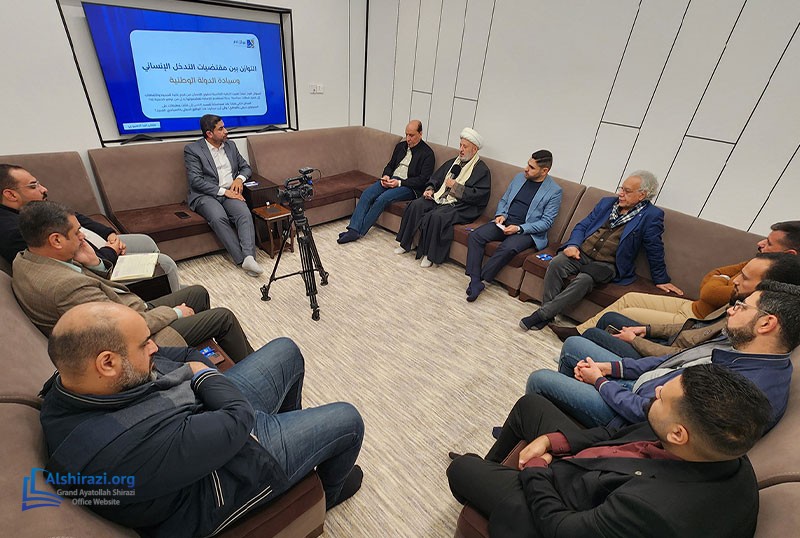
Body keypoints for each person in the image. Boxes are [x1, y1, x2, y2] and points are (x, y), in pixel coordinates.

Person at [39, 302, 364, 537]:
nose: (154, 347)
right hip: (223, 478)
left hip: (205, 418)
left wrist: (199, 375)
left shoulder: (71, 384)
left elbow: (185, 355)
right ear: (107, 363)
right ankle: (326, 496)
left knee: (286, 349)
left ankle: (299, 450)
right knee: (349, 420)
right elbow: (238, 418)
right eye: (144, 344)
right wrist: (203, 377)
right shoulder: (120, 449)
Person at [448, 365, 771, 538]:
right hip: (592, 466)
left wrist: (536, 468)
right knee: (530, 405)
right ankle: (495, 467)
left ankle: (485, 476)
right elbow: (613, 435)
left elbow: (561, 528)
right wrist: (554, 441)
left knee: (461, 469)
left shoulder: (655, 511)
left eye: (662, 397)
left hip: (562, 504)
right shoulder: (711, 442)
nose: (657, 390)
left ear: (678, 434)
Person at [525, 280, 799, 430]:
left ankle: (545, 424)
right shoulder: (742, 346)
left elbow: (650, 416)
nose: (731, 309)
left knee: (541, 379)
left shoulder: (745, 388)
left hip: (630, 417)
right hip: (643, 387)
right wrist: (611, 369)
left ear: (767, 323)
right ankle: (557, 420)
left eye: (742, 307)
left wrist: (600, 382)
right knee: (574, 345)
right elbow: (671, 361)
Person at [12, 201, 253, 361]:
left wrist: (95, 264)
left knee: (197, 292)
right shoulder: (65, 287)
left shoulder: (26, 259)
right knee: (223, 317)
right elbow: (122, 329)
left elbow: (98, 292)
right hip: (136, 336)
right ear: (56, 240)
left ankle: (210, 350)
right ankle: (249, 366)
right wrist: (175, 313)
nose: (83, 236)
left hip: (130, 309)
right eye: (76, 233)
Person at [550, 219, 800, 340]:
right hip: (692, 305)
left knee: (625, 313)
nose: (760, 243)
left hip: (695, 319)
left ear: (789, 255)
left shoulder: (772, 286)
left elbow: (711, 291)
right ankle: (578, 332)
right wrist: (718, 279)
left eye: (769, 243)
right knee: (629, 298)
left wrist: (720, 279)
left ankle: (585, 341)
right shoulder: (758, 261)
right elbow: (712, 276)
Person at [519, 171, 682, 331]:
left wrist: (661, 279)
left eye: (627, 191)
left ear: (642, 195)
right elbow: (582, 226)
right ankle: (548, 314)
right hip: (582, 252)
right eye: (621, 188)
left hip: (607, 264)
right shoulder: (607, 203)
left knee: (584, 280)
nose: (620, 193)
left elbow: (654, 248)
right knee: (556, 263)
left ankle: (542, 314)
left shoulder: (651, 215)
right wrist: (573, 245)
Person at [578, 252, 800, 359]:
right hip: (678, 334)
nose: (735, 280)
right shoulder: (740, 300)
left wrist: (635, 340)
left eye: (745, 277)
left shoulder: (744, 325)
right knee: (611, 318)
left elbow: (680, 357)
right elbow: (696, 321)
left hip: (663, 357)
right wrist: (647, 330)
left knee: (587, 338)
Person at [0, 164, 181, 291]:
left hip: (100, 249)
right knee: (164, 263)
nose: (43, 189)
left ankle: (169, 287)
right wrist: (111, 251)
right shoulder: (16, 231)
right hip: (98, 270)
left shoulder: (31, 208)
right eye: (34, 186)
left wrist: (109, 234)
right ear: (10, 195)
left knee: (144, 242)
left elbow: (76, 216)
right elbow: (77, 265)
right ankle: (165, 292)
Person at [465, 150, 562, 302]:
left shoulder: (554, 191)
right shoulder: (519, 178)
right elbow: (504, 200)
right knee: (475, 236)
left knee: (508, 248)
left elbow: (546, 222)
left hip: (526, 231)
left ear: (544, 171)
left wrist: (519, 228)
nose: (526, 169)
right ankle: (475, 280)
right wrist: (501, 215)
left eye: (531, 167)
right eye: (527, 164)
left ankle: (481, 279)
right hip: (505, 222)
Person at [395, 127, 491, 268]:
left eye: (465, 147)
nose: (461, 149)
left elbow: (478, 196)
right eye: (460, 145)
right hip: (440, 198)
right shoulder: (453, 163)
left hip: (461, 205)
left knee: (436, 216)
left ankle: (429, 255)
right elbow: (436, 178)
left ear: (474, 149)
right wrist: (430, 189)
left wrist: (455, 187)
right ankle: (406, 243)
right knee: (417, 204)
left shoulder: (482, 170)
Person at [184, 114, 263, 277]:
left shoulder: (230, 145)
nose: (226, 131)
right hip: (206, 195)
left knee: (244, 213)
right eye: (221, 129)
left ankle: (250, 257)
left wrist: (239, 179)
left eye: (224, 127)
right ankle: (242, 260)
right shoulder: (193, 150)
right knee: (218, 217)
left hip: (230, 192)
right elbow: (196, 181)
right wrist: (225, 192)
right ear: (209, 134)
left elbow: (245, 167)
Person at [337, 120, 435, 243]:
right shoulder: (401, 146)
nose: (408, 139)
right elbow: (390, 165)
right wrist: (386, 176)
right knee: (367, 193)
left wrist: (399, 183)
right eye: (406, 134)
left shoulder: (428, 154)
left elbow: (423, 180)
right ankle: (353, 229)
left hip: (409, 187)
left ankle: (359, 232)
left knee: (382, 199)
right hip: (391, 180)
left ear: (420, 134)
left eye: (411, 135)